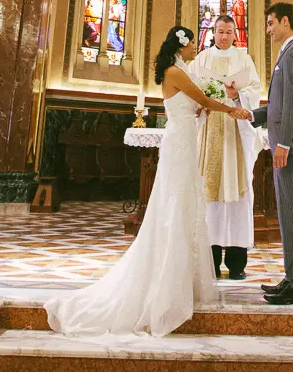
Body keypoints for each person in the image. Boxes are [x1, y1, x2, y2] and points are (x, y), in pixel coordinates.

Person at [43, 25, 252, 337]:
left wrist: (208, 103)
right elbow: (202, 101)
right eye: (192, 43)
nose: (196, 47)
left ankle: (184, 280)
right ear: (181, 45)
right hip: (180, 146)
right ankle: (167, 285)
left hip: (184, 140)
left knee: (184, 209)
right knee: (174, 209)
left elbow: (195, 105)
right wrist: (231, 109)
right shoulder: (174, 72)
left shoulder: (180, 69)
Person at [188, 12, 262, 279]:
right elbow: (190, 89)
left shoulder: (244, 59)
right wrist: (199, 102)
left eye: (229, 32)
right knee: (209, 196)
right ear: (213, 32)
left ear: (235, 33)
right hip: (208, 130)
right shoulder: (202, 58)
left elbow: (255, 90)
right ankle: (209, 263)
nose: (224, 36)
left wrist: (236, 94)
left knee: (236, 195)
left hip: (234, 134)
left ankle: (237, 264)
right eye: (220, 31)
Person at [252, 2, 293, 305]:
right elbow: (279, 105)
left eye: (270, 23)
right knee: (288, 216)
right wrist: (252, 115)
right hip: (285, 144)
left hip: (290, 148)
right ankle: (292, 278)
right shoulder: (286, 54)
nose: (268, 30)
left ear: (285, 21)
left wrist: (284, 144)